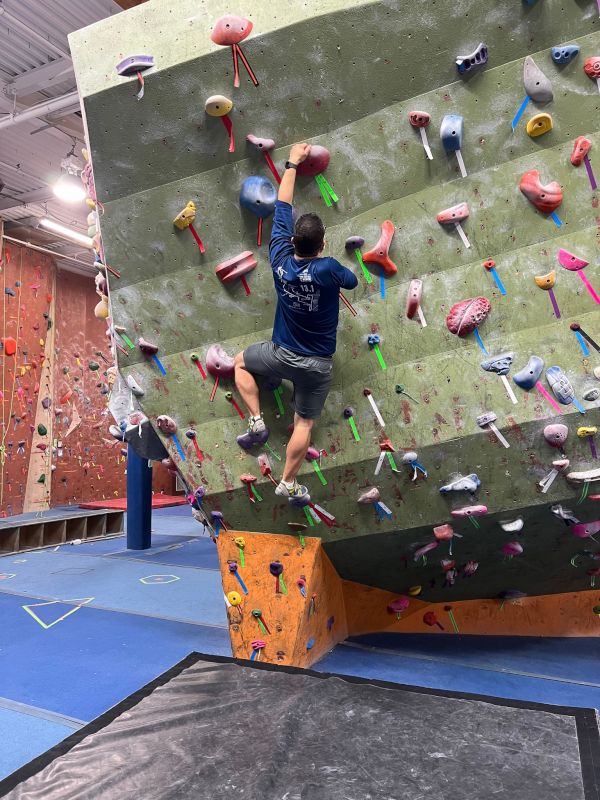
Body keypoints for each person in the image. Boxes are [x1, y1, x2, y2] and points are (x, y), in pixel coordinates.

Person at [234, 142, 358, 503]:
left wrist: (291, 163)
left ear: (291, 242)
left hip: (280, 355)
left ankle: (256, 419)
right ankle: (287, 482)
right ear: (323, 244)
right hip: (316, 366)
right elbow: (352, 282)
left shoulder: (279, 257)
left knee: (240, 362)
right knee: (304, 422)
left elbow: (283, 206)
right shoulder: (330, 269)